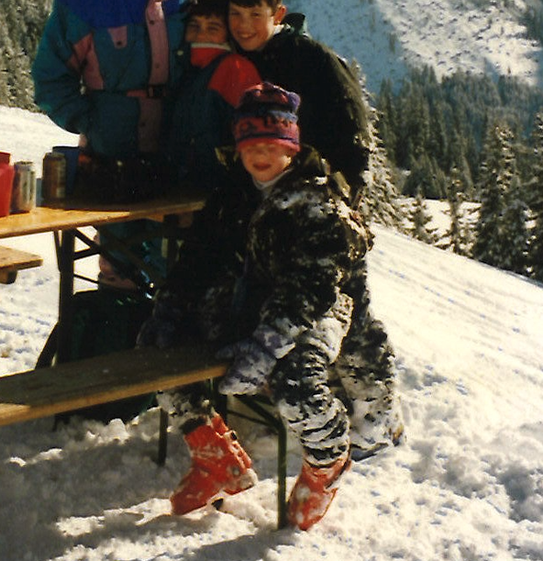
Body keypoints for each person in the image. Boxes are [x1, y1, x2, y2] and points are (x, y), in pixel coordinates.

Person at [139, 82, 402, 530]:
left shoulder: (320, 204)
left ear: (291, 148)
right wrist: (170, 308)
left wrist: (263, 350)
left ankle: (326, 461)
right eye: (250, 144)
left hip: (326, 311)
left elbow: (312, 292)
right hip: (255, 300)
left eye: (272, 145)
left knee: (294, 378)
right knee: (154, 347)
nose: (260, 155)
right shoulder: (234, 193)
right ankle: (214, 455)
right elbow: (200, 259)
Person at [32, 0, 198, 286]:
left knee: (177, 269)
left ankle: (163, 345)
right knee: (118, 265)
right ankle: (114, 339)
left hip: (175, 157)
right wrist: (91, 121)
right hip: (112, 161)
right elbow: (50, 78)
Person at [222, 0, 370, 202]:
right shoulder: (232, 62)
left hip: (308, 188)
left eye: (255, 15)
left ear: (278, 15)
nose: (244, 25)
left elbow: (349, 115)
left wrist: (352, 178)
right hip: (252, 188)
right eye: (235, 14)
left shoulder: (311, 57)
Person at [164, 0, 261, 184]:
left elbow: (256, 134)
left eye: (213, 28)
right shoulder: (188, 69)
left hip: (220, 184)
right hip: (188, 183)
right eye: (194, 26)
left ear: (228, 34)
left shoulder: (235, 68)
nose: (201, 34)